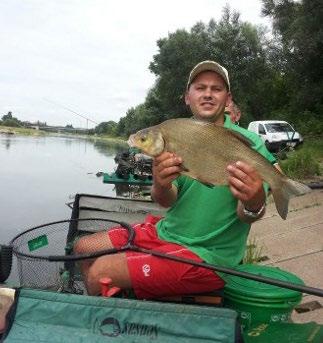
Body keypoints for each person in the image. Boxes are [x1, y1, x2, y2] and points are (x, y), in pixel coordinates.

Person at [74, 60, 277, 299]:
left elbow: (247, 214)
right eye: (200, 88)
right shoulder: (176, 133)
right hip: (165, 233)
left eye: (216, 88)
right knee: (82, 248)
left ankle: (105, 324)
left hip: (209, 256)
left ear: (228, 98)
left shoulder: (250, 143)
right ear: (187, 97)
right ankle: (114, 307)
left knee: (100, 272)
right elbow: (166, 200)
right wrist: (160, 183)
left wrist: (254, 201)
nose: (208, 94)